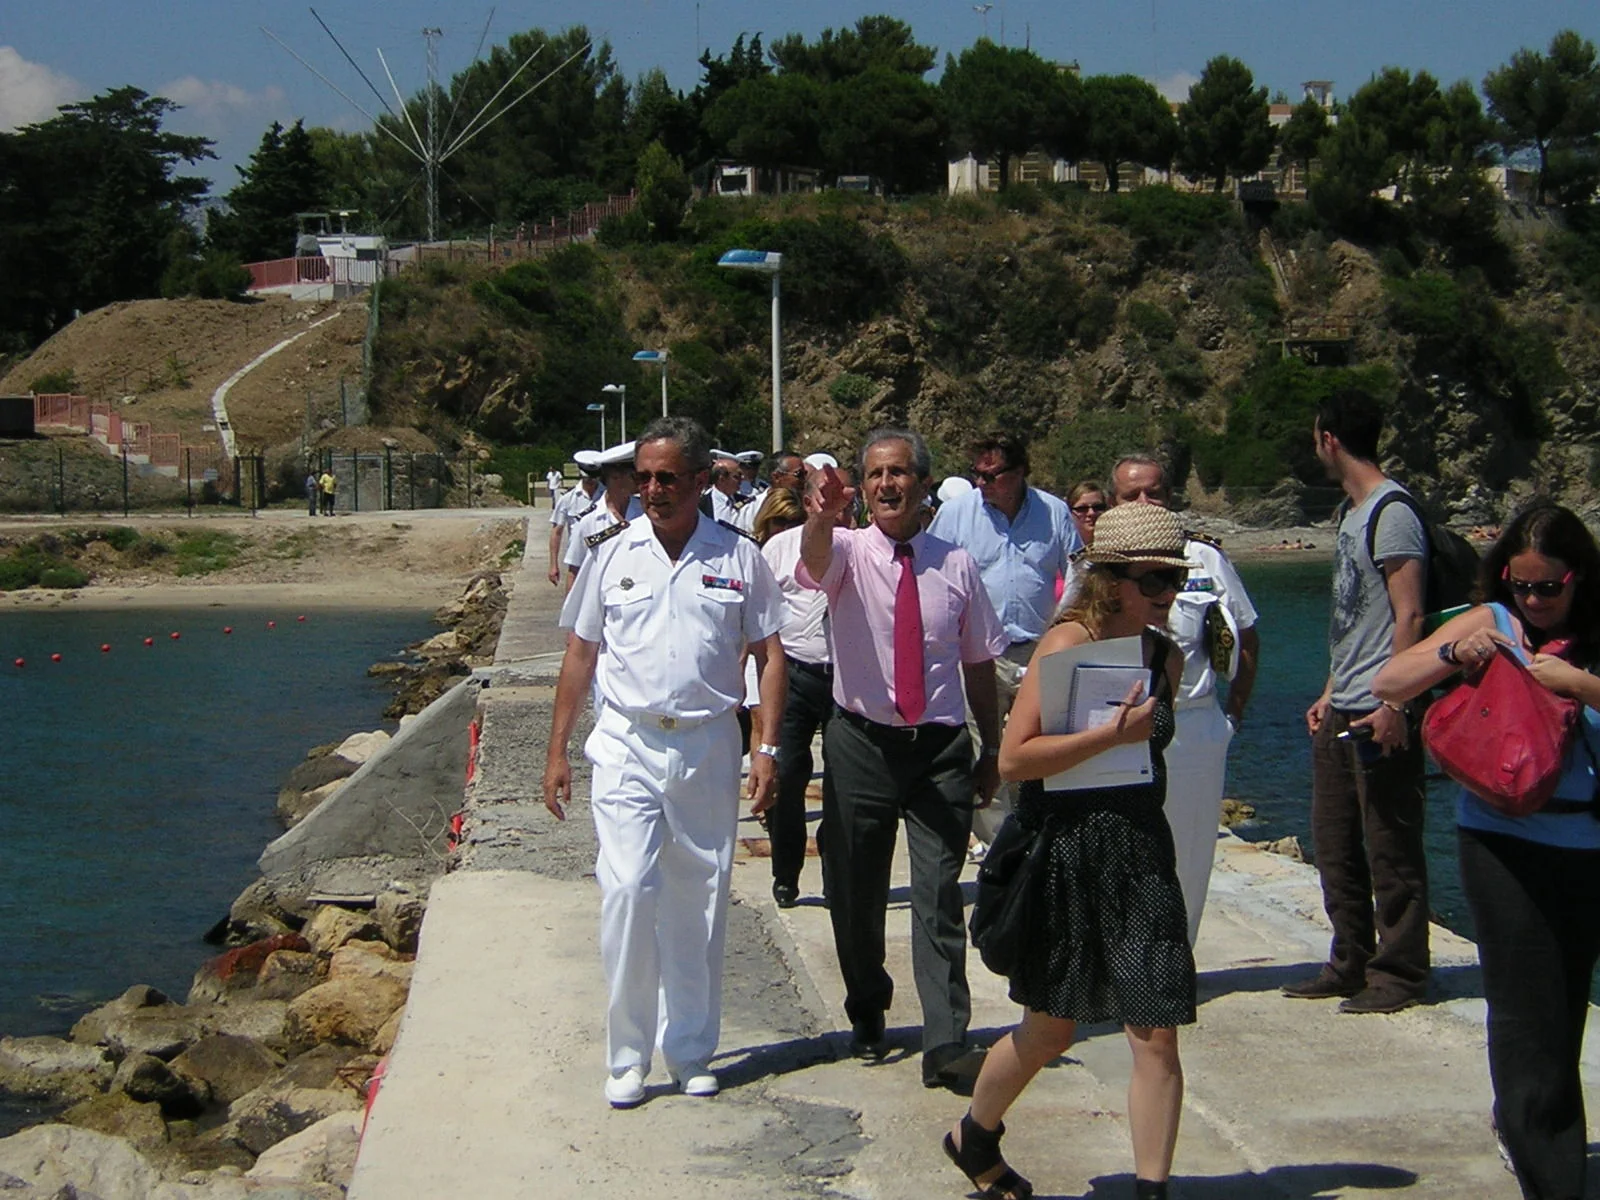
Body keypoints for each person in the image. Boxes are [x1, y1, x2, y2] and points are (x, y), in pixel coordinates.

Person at [945, 502, 1194, 1200]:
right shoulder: (1064, 644)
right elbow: (1015, 759)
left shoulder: (1165, 656)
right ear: (1111, 580)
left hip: (1139, 852)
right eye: (1154, 581)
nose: (1167, 595)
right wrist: (1109, 737)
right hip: (1065, 852)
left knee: (1156, 1030)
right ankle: (975, 1135)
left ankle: (1152, 1191)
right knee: (1050, 1030)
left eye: (1175, 580)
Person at [543, 416, 787, 1109]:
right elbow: (581, 653)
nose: (653, 489)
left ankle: (689, 1050)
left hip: (709, 742)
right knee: (627, 890)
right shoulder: (611, 553)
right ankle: (627, 1056)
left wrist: (767, 745)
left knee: (699, 898)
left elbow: (770, 656)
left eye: (668, 478)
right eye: (644, 477)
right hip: (628, 741)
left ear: (701, 480)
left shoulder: (739, 556)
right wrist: (557, 750)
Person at [1373, 503, 1600, 1200]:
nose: (1532, 601)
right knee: (1525, 1014)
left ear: (1579, 578)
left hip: (1586, 840)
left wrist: (1580, 685)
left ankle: (1533, 1127)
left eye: (1548, 588)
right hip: (1501, 838)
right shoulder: (1494, 621)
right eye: (1519, 584)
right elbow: (1388, 682)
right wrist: (1455, 653)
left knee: (1564, 1007)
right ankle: (1551, 1175)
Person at [799, 428, 1007, 1091]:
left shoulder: (957, 564)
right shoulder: (847, 552)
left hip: (939, 750)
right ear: (863, 488)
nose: (887, 484)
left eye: (899, 473)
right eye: (876, 474)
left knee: (939, 894)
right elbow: (813, 560)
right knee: (855, 890)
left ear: (923, 484)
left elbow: (979, 662)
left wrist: (992, 746)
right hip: (861, 743)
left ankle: (947, 1041)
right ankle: (867, 1005)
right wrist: (822, 516)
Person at [1289, 390, 1430, 1013]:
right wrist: (1328, 691)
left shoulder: (1392, 512)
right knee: (1335, 841)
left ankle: (1400, 973)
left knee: (1391, 846)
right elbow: (1355, 618)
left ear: (1329, 439)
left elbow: (1410, 614)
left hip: (1380, 708)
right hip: (1344, 703)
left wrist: (1397, 704)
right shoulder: (1351, 513)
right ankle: (1349, 960)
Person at [1110, 456, 1259, 944]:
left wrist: (1232, 715)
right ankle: (1125, 962)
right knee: (1120, 852)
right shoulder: (1096, 564)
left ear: (1170, 498)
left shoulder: (1204, 559)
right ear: (1113, 502)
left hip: (1192, 727)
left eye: (1153, 493)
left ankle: (1178, 961)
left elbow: (1246, 636)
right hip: (1116, 731)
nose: (1144, 502)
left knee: (1189, 855)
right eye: (1131, 495)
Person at [930, 433, 1083, 852]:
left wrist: (1063, 627)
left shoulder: (1054, 512)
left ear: (1019, 472)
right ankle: (999, 846)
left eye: (992, 475)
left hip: (1040, 648)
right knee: (985, 747)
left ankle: (1039, 833)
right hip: (979, 653)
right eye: (976, 475)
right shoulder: (957, 514)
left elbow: (1079, 573)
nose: (981, 483)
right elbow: (933, 573)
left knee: (1040, 744)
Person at [760, 471, 852, 909]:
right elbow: (759, 620)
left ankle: (838, 875)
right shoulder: (779, 548)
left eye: (843, 497)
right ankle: (786, 873)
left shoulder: (864, 547)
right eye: (824, 496)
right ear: (808, 500)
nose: (833, 504)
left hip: (847, 678)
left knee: (843, 782)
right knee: (789, 775)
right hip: (794, 673)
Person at [561, 442, 642, 592]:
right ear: (615, 477)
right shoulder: (588, 522)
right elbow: (574, 572)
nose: (641, 482)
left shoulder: (646, 514)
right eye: (635, 476)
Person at [548, 454, 601, 586]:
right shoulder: (567, 499)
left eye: (594, 478)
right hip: (578, 557)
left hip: (603, 555)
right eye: (588, 478)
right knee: (573, 594)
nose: (591, 481)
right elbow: (556, 532)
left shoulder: (608, 496)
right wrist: (553, 564)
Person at [1067, 480, 1107, 548]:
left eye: (1097, 507)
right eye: (1082, 508)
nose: (1091, 513)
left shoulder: (1116, 546)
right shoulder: (1062, 548)